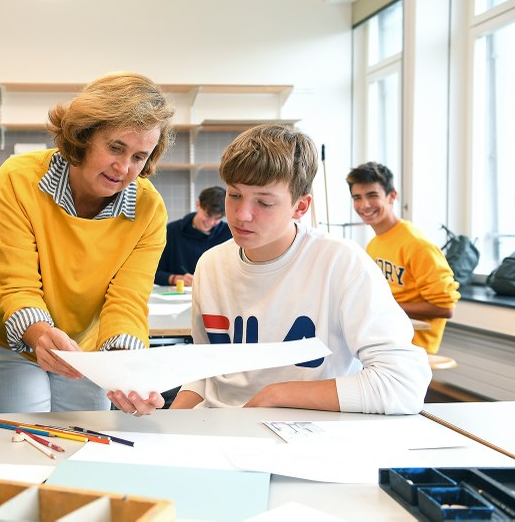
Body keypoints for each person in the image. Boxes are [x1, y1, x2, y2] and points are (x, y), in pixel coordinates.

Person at [111, 125, 431, 416]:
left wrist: (275, 395)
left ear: (300, 207)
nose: (242, 215)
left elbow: (403, 384)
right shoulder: (211, 264)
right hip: (220, 428)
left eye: (264, 203)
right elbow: (207, 371)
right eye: (234, 195)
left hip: (306, 434)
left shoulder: (341, 263)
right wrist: (171, 423)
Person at [0, 72, 173, 413]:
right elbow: (16, 285)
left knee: (87, 428)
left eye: (139, 157)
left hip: (83, 345)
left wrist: (124, 367)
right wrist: (38, 334)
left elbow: (127, 300)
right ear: (83, 135)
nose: (124, 167)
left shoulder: (149, 209)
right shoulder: (19, 178)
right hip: (2, 335)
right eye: (115, 147)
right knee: (27, 419)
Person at [346, 162, 460, 354]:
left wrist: (383, 305)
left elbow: (445, 308)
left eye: (372, 195)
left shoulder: (417, 244)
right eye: (357, 197)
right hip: (383, 336)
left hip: (409, 348)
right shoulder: (374, 244)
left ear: (392, 196)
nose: (364, 205)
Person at [154, 186, 232, 286]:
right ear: (198, 204)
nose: (210, 222)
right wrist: (175, 279)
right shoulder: (172, 231)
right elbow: (153, 272)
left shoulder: (228, 235)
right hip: (178, 296)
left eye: (217, 218)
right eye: (207, 215)